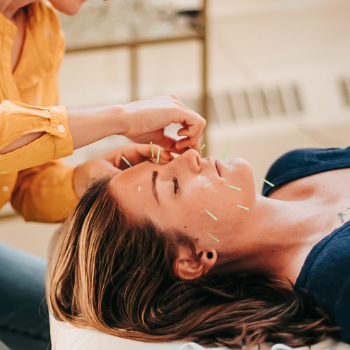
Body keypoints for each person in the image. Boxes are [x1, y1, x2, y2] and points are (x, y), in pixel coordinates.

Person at [0, 0, 205, 349]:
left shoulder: (42, 28)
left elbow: (25, 185)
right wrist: (121, 118)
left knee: (78, 320)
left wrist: (87, 178)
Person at [48, 144, 350, 349]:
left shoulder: (293, 168)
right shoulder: (337, 277)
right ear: (192, 259)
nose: (190, 155)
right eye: (173, 185)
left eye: (166, 163)